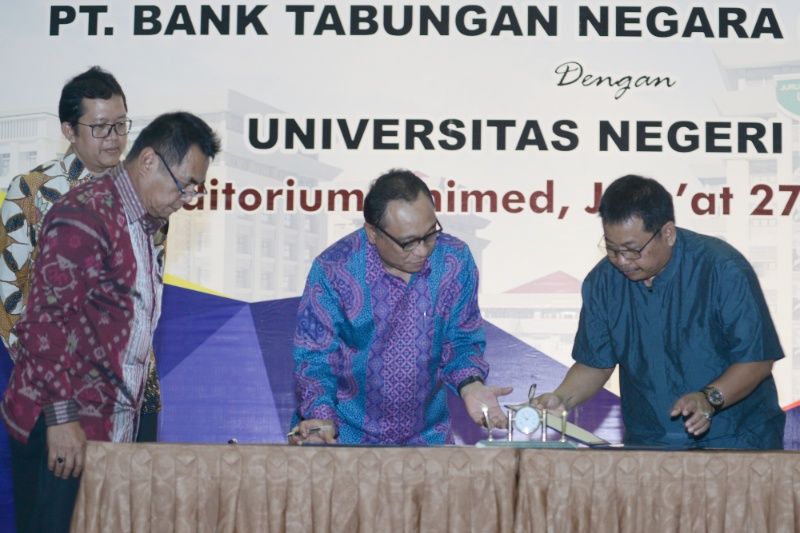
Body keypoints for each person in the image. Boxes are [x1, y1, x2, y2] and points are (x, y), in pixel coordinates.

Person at [1, 111, 221, 533]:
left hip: (103, 427)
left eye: (196, 188)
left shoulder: (145, 224)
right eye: (186, 184)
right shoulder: (87, 214)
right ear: (149, 161)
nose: (188, 198)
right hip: (62, 429)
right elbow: (43, 324)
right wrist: (62, 418)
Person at [534, 174, 785, 449]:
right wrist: (562, 398)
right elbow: (595, 364)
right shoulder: (603, 282)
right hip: (649, 444)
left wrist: (709, 398)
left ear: (668, 233)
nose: (621, 261)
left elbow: (757, 358)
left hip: (736, 440)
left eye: (632, 250)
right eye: (611, 249)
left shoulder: (722, 269)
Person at [0, 66, 164, 442]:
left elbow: (149, 298)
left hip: (134, 393)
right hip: (54, 397)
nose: (114, 138)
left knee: (133, 484)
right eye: (100, 127)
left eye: (121, 125)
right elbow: (9, 299)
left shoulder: (146, 196)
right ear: (69, 131)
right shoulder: (29, 192)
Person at [289, 169, 512, 445]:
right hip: (346, 436)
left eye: (430, 234)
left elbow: (462, 341)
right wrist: (321, 419)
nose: (422, 250)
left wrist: (471, 386)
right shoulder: (334, 269)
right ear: (373, 232)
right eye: (408, 243)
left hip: (428, 437)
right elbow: (316, 358)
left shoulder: (454, 261)